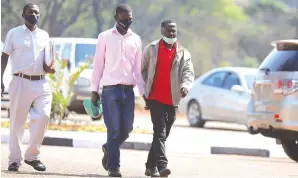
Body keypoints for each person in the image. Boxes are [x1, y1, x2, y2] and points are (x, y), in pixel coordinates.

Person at [90, 3, 145, 177]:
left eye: (130, 19)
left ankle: (108, 148)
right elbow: (98, 64)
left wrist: (144, 94)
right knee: (113, 130)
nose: (127, 22)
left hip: (128, 91)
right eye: (123, 19)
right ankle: (114, 167)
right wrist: (94, 90)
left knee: (126, 129)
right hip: (110, 90)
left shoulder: (136, 39)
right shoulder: (104, 37)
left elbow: (137, 70)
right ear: (116, 18)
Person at [1, 3, 55, 172]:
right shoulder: (14, 33)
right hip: (20, 81)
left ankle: (32, 156)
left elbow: (49, 61)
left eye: (37, 13)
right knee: (17, 122)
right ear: (23, 14)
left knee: (44, 116)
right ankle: (14, 160)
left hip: (42, 82)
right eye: (31, 12)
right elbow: (4, 56)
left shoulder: (45, 36)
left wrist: (51, 68)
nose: (34, 15)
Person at [141, 20, 195, 177]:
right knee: (160, 131)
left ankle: (150, 166)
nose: (172, 34)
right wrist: (145, 89)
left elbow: (188, 73)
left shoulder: (183, 53)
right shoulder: (151, 49)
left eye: (174, 31)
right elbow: (142, 70)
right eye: (169, 31)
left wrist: (185, 86)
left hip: (172, 100)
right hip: (154, 98)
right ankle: (162, 166)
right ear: (162, 31)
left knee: (163, 133)